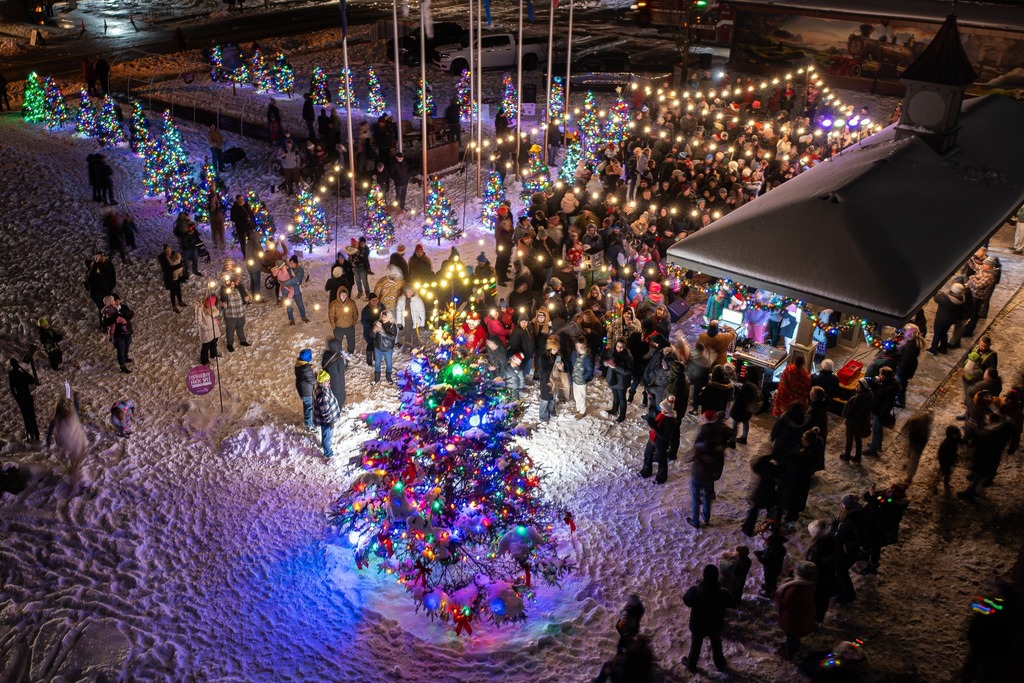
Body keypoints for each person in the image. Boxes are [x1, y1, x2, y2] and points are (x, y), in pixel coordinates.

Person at [682, 564, 734, 673]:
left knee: (696, 644)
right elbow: (732, 604)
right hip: (715, 625)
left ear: (704, 576)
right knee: (716, 643)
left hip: (697, 625)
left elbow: (686, 601)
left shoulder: (695, 591)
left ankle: (692, 664)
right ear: (717, 576)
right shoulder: (723, 593)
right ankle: (719, 664)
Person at [689, 411, 732, 528]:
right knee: (707, 496)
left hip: (699, 473)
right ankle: (706, 518)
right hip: (711, 474)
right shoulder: (719, 440)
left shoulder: (703, 438)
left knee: (696, 498)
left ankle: (695, 521)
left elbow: (694, 452)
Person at [46, 388, 89, 494]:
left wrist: (48, 440)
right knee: (76, 464)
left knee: (74, 460)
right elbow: (76, 408)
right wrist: (76, 399)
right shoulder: (72, 415)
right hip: (77, 444)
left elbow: (50, 430)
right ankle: (74, 487)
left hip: (67, 444)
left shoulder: (56, 419)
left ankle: (73, 471)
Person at [774, 561, 818, 659]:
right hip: (804, 614)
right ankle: (794, 644)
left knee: (791, 635)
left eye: (796, 570)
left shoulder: (795, 589)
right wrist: (793, 574)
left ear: (800, 573)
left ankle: (790, 653)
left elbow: (786, 603)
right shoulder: (810, 582)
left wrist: (776, 595)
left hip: (794, 619)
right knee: (794, 635)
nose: (795, 570)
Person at [778, 427, 821, 522]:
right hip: (791, 475)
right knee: (788, 494)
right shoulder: (801, 446)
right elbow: (792, 454)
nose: (802, 440)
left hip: (800, 480)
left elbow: (800, 461)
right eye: (802, 437)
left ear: (809, 442)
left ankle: (792, 515)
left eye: (804, 439)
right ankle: (785, 507)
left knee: (796, 498)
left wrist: (795, 455)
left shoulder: (812, 453)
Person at [804, 519, 837, 624]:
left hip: (820, 578)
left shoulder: (817, 547)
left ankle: (814, 619)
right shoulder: (830, 540)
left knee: (817, 599)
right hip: (828, 575)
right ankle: (818, 618)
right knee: (822, 599)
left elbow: (812, 564)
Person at [834, 493, 864, 604]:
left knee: (841, 571)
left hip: (846, 553)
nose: (841, 505)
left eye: (843, 503)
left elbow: (860, 539)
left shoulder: (853, 519)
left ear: (847, 506)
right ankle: (839, 587)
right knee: (839, 570)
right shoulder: (848, 514)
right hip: (840, 549)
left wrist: (847, 546)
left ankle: (849, 595)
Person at [639, 396, 676, 484]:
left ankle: (661, 477)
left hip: (660, 443)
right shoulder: (662, 415)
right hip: (652, 439)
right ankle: (646, 471)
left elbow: (665, 436)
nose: (660, 410)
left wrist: (653, 426)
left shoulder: (670, 421)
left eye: (662, 408)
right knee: (647, 455)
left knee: (661, 460)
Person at [960, 336, 997, 418]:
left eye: (985, 346)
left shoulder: (992, 356)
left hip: (978, 381)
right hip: (967, 377)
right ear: (979, 343)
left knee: (974, 400)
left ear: (989, 345)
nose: (983, 348)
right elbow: (965, 357)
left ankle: (970, 416)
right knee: (967, 396)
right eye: (982, 345)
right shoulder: (974, 348)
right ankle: (967, 414)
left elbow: (992, 370)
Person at [864, 366, 898, 455]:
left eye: (880, 374)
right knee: (878, 429)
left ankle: (872, 450)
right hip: (879, 410)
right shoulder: (885, 384)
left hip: (879, 412)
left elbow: (888, 403)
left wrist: (882, 414)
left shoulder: (889, 387)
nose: (879, 376)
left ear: (885, 376)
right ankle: (877, 444)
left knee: (876, 430)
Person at [841, 378, 872, 464]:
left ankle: (846, 456)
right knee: (858, 439)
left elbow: (847, 412)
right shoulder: (869, 396)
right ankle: (857, 458)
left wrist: (847, 418)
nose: (856, 387)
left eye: (858, 386)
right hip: (861, 423)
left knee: (849, 439)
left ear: (863, 388)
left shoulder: (856, 399)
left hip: (852, 423)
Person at [312, 370, 342, 459]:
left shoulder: (321, 387)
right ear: (321, 382)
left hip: (325, 419)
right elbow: (325, 411)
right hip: (327, 420)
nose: (329, 382)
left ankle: (324, 445)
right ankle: (328, 454)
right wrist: (330, 422)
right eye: (327, 380)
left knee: (325, 434)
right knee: (327, 436)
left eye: (329, 379)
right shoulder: (323, 395)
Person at [8, 358, 40, 442]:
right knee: (29, 417)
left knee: (29, 417)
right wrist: (18, 399)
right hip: (24, 398)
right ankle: (33, 435)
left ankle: (34, 435)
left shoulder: (18, 374)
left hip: (24, 398)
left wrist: (22, 369)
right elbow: (13, 389)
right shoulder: (14, 374)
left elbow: (32, 380)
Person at [101, 293, 134, 374]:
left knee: (127, 346)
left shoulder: (123, 307)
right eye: (116, 300)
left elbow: (131, 314)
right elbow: (105, 322)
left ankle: (125, 357)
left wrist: (123, 312)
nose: (118, 301)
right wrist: (114, 318)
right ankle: (122, 366)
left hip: (127, 332)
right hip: (117, 335)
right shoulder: (108, 310)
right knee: (121, 350)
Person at [218, 271, 251, 352]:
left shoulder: (239, 289)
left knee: (240, 328)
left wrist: (248, 298)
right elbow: (221, 303)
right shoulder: (225, 291)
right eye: (231, 284)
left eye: (233, 284)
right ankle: (230, 344)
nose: (232, 286)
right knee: (230, 330)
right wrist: (223, 304)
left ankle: (242, 341)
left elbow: (247, 296)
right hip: (231, 316)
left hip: (240, 313)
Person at [603, 338, 632, 423]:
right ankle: (614, 410)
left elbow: (628, 371)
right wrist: (606, 363)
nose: (618, 348)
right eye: (617, 346)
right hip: (613, 379)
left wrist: (616, 367)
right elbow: (605, 359)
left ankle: (622, 415)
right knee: (615, 397)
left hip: (621, 382)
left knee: (622, 399)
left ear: (625, 347)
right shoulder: (612, 352)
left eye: (621, 347)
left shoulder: (628, 357)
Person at [929, 425, 962, 494]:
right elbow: (942, 454)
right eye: (956, 434)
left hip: (950, 461)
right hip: (945, 462)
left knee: (947, 473)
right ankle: (935, 485)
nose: (958, 435)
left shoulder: (955, 439)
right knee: (942, 472)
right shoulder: (946, 444)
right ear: (951, 435)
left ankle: (945, 484)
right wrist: (946, 461)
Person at [329, 286, 358, 355]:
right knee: (338, 342)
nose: (344, 296)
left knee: (351, 341)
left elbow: (355, 314)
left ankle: (350, 353)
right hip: (338, 327)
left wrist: (353, 324)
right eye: (342, 294)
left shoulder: (351, 303)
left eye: (345, 294)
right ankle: (338, 353)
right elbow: (331, 316)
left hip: (349, 326)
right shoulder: (334, 304)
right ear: (339, 295)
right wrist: (334, 326)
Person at [570, 336, 595, 416]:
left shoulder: (587, 357)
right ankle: (578, 407)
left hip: (582, 380)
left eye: (580, 347)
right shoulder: (574, 353)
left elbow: (590, 370)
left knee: (581, 396)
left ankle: (582, 411)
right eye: (577, 347)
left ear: (585, 346)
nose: (578, 349)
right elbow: (572, 363)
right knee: (576, 395)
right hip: (575, 378)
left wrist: (584, 378)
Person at [372, 310, 398, 385]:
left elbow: (392, 337)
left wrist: (382, 331)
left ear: (389, 317)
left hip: (387, 348)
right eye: (382, 316)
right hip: (378, 347)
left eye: (385, 317)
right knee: (377, 363)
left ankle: (388, 377)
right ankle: (377, 378)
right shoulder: (378, 323)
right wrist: (374, 330)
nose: (383, 318)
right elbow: (371, 335)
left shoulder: (392, 325)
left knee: (389, 363)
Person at [281, 255, 310, 324]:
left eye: (292, 263)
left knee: (300, 304)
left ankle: (303, 316)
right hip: (288, 290)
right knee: (289, 305)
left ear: (296, 263)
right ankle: (291, 319)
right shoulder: (288, 269)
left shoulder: (300, 270)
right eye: (290, 263)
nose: (291, 264)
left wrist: (287, 282)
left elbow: (297, 279)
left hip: (296, 290)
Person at [395, 285, 426, 349]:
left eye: (410, 291)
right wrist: (399, 322)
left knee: (415, 334)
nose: (409, 293)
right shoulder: (401, 300)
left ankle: (416, 347)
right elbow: (399, 311)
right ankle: (407, 346)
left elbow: (421, 311)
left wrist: (422, 323)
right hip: (406, 320)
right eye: (407, 291)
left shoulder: (417, 300)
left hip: (415, 320)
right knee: (407, 333)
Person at [195, 294, 222, 365]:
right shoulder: (200, 308)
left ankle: (214, 354)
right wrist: (206, 327)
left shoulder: (212, 306)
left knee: (214, 342)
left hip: (214, 329)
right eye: (208, 304)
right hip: (206, 331)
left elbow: (217, 312)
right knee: (206, 346)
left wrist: (211, 313)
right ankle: (204, 360)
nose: (209, 306)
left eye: (211, 305)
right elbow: (198, 321)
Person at [321, 338, 347, 409]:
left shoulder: (326, 354)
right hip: (337, 382)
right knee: (339, 397)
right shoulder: (339, 359)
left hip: (329, 380)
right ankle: (338, 410)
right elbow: (342, 370)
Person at [294, 349, 316, 429]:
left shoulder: (298, 364)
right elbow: (313, 381)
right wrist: (316, 375)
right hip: (306, 391)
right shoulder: (306, 368)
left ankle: (309, 421)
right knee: (309, 407)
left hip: (301, 389)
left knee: (307, 406)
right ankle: (309, 425)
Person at [360, 293, 381, 366]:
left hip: (377, 331)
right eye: (373, 300)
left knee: (377, 344)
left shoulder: (379, 307)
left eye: (376, 300)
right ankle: (369, 359)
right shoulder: (366, 310)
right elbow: (363, 321)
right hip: (369, 332)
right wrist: (372, 324)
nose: (375, 301)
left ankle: (376, 358)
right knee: (370, 344)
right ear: (369, 301)